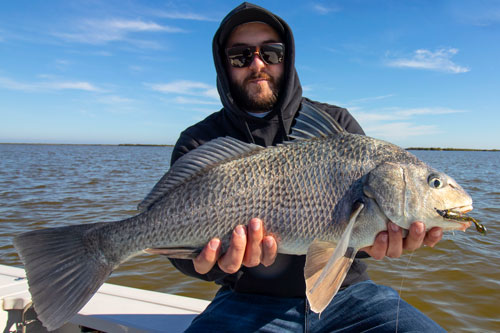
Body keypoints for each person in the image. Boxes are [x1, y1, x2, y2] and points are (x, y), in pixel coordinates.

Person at [169, 2, 445, 332]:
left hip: (349, 297)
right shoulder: (199, 141)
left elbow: (355, 233)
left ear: (287, 58)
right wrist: (213, 265)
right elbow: (172, 241)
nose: (258, 64)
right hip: (246, 301)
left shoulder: (339, 124)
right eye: (241, 56)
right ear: (223, 66)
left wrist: (377, 242)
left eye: (271, 53)